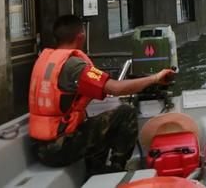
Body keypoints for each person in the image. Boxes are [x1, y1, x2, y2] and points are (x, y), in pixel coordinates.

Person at [29, 14, 175, 175]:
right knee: (125, 113)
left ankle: (96, 168)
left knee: (98, 124)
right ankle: (117, 171)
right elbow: (116, 89)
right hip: (59, 148)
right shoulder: (73, 66)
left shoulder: (45, 60)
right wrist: (155, 78)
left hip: (40, 145)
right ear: (81, 36)